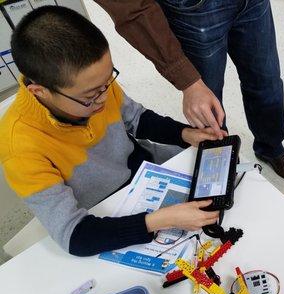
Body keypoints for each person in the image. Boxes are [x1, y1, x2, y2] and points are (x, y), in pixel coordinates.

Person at [0, 6, 224, 257]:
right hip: (106, 212)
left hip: (147, 175)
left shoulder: (95, 84)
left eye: (108, 81)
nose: (105, 97)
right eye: (91, 96)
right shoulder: (18, 146)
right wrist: (160, 221)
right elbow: (75, 235)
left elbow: (137, 119)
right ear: (39, 92)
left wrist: (184, 133)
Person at [95, 0, 284, 183]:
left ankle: (272, 148)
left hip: (253, 5)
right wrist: (186, 78)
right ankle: (220, 161)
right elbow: (130, 8)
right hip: (194, 11)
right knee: (208, 101)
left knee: (266, 81)